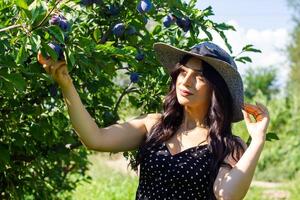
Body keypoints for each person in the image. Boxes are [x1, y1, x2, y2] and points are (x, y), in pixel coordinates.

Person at [37, 41, 270, 200]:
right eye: (183, 72)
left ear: (216, 89)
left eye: (198, 77)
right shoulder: (154, 125)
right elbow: (94, 138)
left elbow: (227, 195)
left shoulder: (227, 145)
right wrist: (66, 84)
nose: (186, 81)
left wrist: (257, 140)